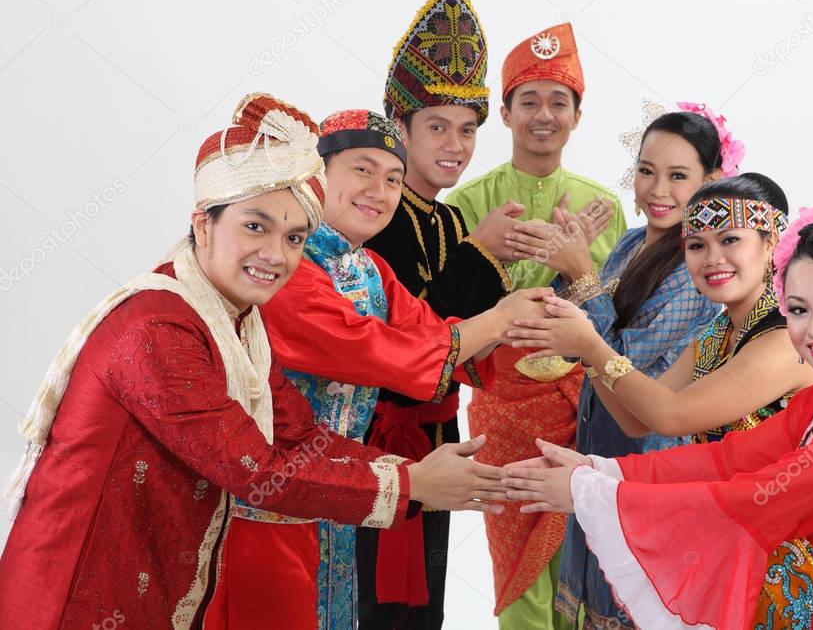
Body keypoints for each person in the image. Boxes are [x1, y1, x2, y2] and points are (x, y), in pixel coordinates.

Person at [0, 93, 508, 629]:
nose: (275, 255)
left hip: (203, 550)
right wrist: (414, 484)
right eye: (255, 227)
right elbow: (254, 467)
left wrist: (410, 471)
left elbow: (294, 433)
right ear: (202, 224)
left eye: (293, 237)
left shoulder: (240, 320)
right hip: (86, 585)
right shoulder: (159, 327)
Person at [503, 181, 813, 628]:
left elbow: (747, 501)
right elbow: (726, 459)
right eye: (798, 310)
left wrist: (592, 491)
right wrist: (603, 470)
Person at [207, 107, 548, 630]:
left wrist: (538, 334)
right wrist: (499, 318)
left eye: (392, 178)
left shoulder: (369, 267)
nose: (380, 191)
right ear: (316, 176)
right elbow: (374, 350)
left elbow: (430, 331)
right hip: (267, 502)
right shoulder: (288, 266)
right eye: (362, 170)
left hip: (339, 496)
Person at [508, 172, 813, 626]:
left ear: (771, 242)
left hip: (779, 554)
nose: (712, 258)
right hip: (726, 538)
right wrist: (588, 352)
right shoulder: (715, 334)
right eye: (696, 245)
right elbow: (639, 421)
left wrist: (593, 343)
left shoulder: (785, 338)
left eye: (730, 239)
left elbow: (671, 416)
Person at [444, 21, 627, 627]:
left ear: (578, 114)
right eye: (529, 101)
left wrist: (578, 268)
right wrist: (493, 253)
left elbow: (619, 321)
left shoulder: (606, 204)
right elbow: (444, 316)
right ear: (504, 112)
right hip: (502, 406)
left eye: (558, 101)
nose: (543, 115)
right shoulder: (469, 202)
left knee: (585, 555)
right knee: (516, 560)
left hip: (584, 406)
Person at [530, 105, 733, 629]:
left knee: (631, 599)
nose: (657, 189)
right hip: (599, 440)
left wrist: (581, 272)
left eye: (678, 176)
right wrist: (564, 267)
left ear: (712, 182)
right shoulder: (627, 243)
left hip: (647, 453)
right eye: (646, 170)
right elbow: (577, 339)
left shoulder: (695, 273)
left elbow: (626, 363)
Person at [359, 0, 516, 629]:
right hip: (371, 438)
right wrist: (482, 255)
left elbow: (475, 345)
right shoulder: (370, 216)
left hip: (439, 430)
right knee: (368, 600)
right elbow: (411, 335)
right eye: (435, 127)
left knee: (425, 602)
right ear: (398, 125)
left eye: (467, 129)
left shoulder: (450, 222)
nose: (454, 144)